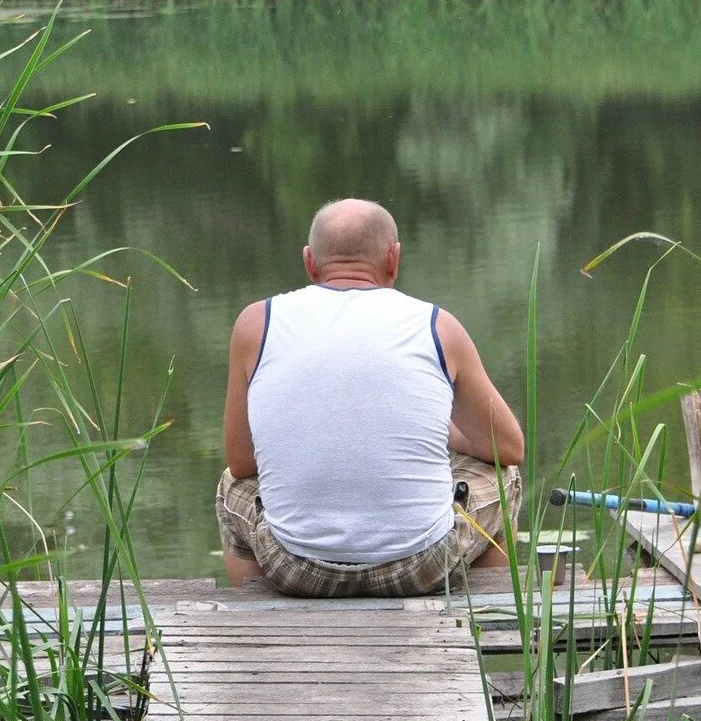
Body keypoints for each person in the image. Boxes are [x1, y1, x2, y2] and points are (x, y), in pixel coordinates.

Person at [217, 199, 524, 597]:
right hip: (420, 567)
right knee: (503, 478)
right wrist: (446, 433)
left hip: (297, 571)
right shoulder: (437, 325)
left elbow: (242, 463)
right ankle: (482, 617)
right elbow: (509, 447)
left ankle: (263, 617)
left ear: (310, 263)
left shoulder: (256, 324)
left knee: (231, 487)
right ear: (393, 259)